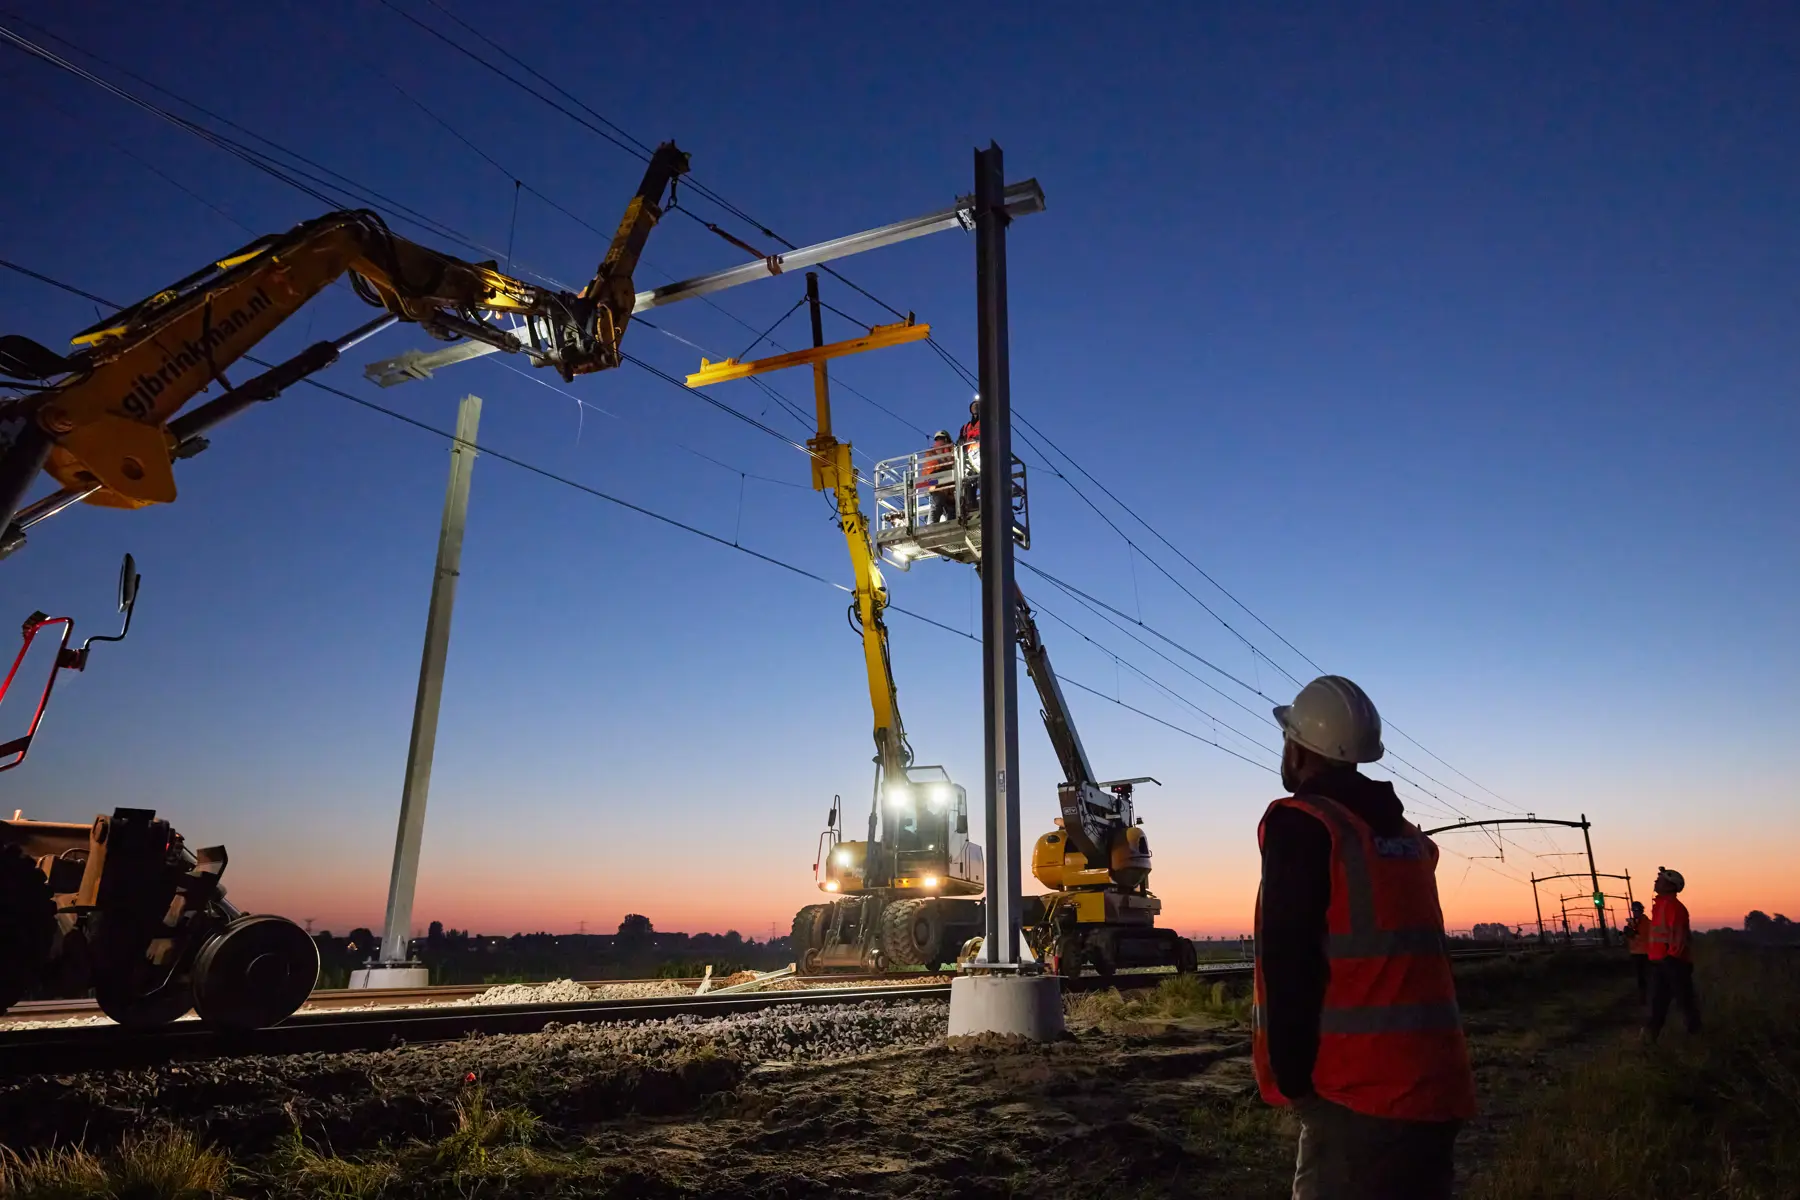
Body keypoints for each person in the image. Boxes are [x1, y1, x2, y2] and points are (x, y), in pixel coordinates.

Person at [1254, 675, 1476, 1200]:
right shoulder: (1406, 839)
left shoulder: (1304, 826)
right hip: (1436, 1086)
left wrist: (1292, 1081)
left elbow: (1292, 965)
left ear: (1301, 749)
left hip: (1359, 1094)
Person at [1644, 866, 1701, 1041]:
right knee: (1658, 1004)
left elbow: (1678, 936)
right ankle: (1650, 1039)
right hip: (1662, 963)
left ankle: (1696, 1037)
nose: (1656, 881)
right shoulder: (1661, 906)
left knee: (1684, 1002)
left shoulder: (1673, 907)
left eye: (1660, 879)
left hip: (1674, 963)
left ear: (1670, 886)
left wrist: (1671, 959)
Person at [916, 430, 957, 524]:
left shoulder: (933, 452)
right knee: (945, 506)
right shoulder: (953, 450)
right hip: (945, 483)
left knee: (939, 506)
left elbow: (929, 469)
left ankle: (932, 525)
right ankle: (947, 524)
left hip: (941, 484)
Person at [1623, 899, 1650, 1004]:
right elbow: (1630, 938)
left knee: (1646, 976)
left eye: (1637, 910)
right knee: (1640, 977)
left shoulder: (1646, 923)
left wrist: (1633, 933)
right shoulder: (1632, 923)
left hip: (1645, 953)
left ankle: (1647, 997)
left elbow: (1643, 936)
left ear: (1642, 911)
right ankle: (1643, 997)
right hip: (1635, 953)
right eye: (1634, 910)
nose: (1635, 912)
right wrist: (1627, 934)